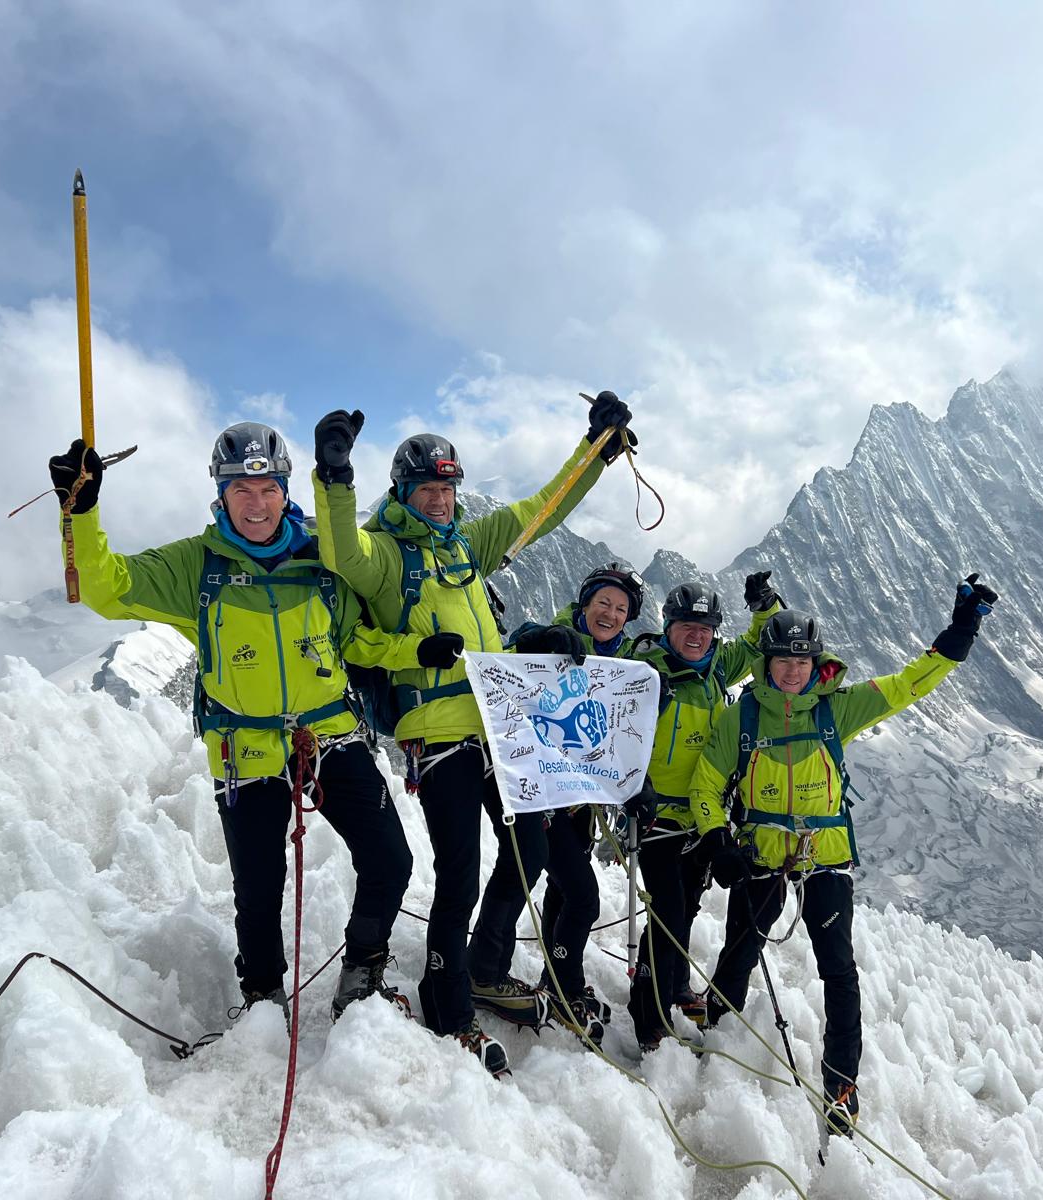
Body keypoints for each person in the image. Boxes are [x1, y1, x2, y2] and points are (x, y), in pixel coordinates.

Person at [47, 423, 414, 1031]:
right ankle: (265, 996)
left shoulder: (320, 558)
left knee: (390, 858)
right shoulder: (198, 564)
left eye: (267, 486)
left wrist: (417, 656)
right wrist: (80, 511)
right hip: (244, 745)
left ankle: (363, 970)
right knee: (259, 886)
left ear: (284, 489)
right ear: (220, 494)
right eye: (241, 488)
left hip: (332, 733)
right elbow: (105, 587)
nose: (256, 501)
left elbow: (359, 640)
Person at [311, 392, 635, 1075]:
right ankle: (448, 1001)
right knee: (457, 871)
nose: (441, 499)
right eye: (429, 488)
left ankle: (483, 964)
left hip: (497, 732)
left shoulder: (465, 547)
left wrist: (596, 451)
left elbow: (539, 511)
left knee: (530, 849)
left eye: (448, 487)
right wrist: (334, 478)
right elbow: (340, 553)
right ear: (404, 490)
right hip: (438, 735)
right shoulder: (387, 557)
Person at [688, 575, 1000, 1138]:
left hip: (825, 859)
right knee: (739, 950)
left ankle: (841, 1082)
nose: (792, 670)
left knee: (838, 971)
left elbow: (909, 684)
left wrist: (960, 633)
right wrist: (716, 838)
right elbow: (707, 786)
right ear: (767, 661)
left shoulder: (839, 709)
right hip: (760, 855)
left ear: (816, 662)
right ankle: (716, 1022)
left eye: (801, 661)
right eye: (783, 659)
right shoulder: (743, 716)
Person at [625, 572, 782, 1052]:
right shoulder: (646, 674)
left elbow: (762, 643)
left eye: (706, 627)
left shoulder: (717, 669)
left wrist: (765, 604)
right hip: (654, 817)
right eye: (686, 625)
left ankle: (671, 986)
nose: (697, 635)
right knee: (669, 911)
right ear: (668, 626)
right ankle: (647, 1012)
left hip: (702, 819)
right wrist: (632, 788)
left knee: (686, 906)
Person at [506, 563, 650, 1042]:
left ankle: (554, 976)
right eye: (603, 603)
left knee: (564, 892)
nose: (610, 613)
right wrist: (539, 637)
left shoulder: (621, 663)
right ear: (585, 603)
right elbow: (518, 647)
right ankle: (566, 988)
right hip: (546, 801)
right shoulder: (558, 638)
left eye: (620, 608)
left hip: (581, 804)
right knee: (584, 896)